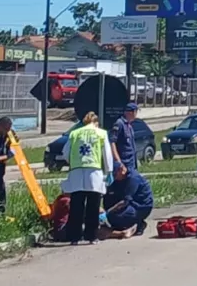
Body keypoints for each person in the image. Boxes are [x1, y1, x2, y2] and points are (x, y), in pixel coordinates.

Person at [61, 111, 114, 245]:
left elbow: (65, 153)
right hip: (94, 173)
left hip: (76, 173)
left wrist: (73, 162)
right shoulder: (101, 133)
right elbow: (107, 153)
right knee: (93, 206)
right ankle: (91, 236)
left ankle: (74, 237)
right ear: (96, 122)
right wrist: (109, 171)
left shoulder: (75, 133)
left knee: (76, 207)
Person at [101, 162, 154, 239]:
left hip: (140, 207)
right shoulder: (120, 178)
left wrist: (108, 213)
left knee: (114, 217)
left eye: (115, 175)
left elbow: (125, 201)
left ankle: (138, 224)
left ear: (122, 170)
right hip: (130, 204)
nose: (114, 177)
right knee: (109, 199)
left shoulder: (133, 179)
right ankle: (123, 225)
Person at [111, 102, 140, 170]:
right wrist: (119, 163)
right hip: (124, 164)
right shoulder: (119, 124)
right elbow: (112, 142)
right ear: (131, 112)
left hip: (131, 164)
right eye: (136, 111)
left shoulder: (129, 126)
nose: (136, 114)